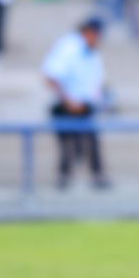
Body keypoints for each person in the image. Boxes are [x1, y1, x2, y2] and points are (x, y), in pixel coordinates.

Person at [42, 17, 110, 190]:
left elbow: (95, 81)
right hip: (65, 106)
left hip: (85, 106)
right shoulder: (69, 47)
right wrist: (68, 100)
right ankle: (64, 177)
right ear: (88, 32)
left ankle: (97, 176)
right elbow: (51, 76)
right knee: (68, 145)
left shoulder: (92, 51)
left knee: (91, 143)